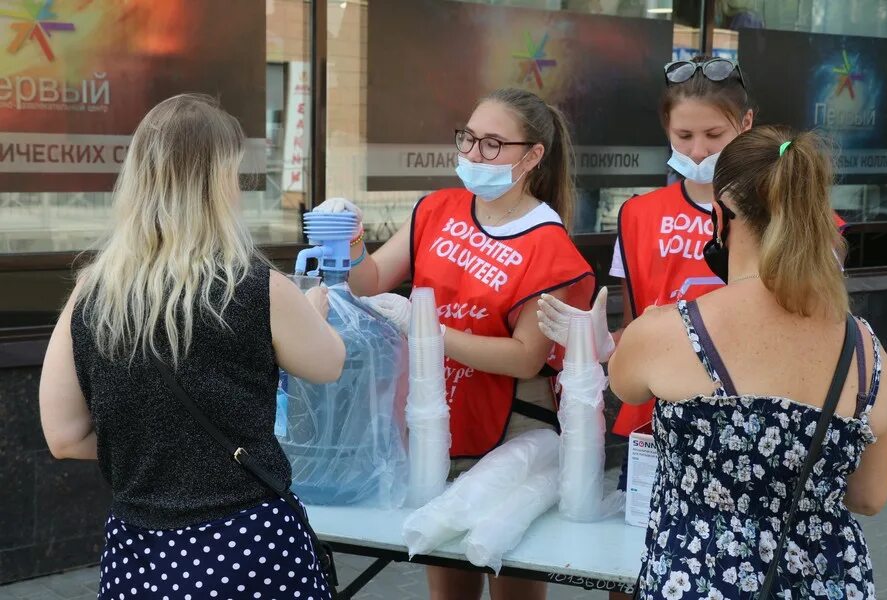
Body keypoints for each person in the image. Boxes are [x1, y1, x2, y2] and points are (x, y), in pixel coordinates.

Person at [39, 94, 345, 600]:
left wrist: (156, 444)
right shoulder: (254, 286)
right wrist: (313, 314)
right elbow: (328, 364)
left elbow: (64, 436)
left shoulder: (90, 293)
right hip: (249, 548)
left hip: (138, 557)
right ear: (218, 182)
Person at [315, 87, 596, 600]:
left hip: (509, 435)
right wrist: (349, 243)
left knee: (510, 582)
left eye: (492, 144)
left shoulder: (549, 245)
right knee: (447, 587)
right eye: (468, 138)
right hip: (432, 419)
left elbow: (525, 356)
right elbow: (371, 280)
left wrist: (433, 333)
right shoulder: (437, 208)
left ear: (533, 156)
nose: (472, 155)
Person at [609, 125, 887, 599]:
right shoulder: (869, 353)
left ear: (719, 216)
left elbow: (624, 384)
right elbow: (868, 497)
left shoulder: (667, 332)